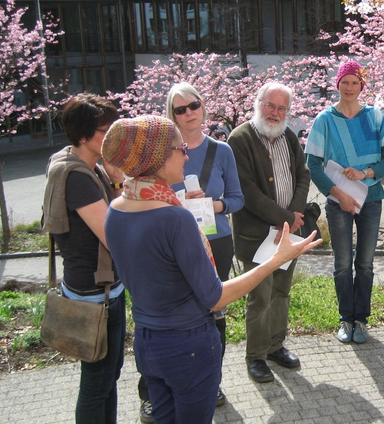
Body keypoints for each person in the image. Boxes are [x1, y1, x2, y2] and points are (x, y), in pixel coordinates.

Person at [102, 115, 321, 423]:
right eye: (179, 148)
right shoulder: (174, 219)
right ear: (158, 158)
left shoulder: (117, 208)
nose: (186, 154)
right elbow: (214, 297)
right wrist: (274, 260)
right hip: (188, 344)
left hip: (148, 341)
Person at [131, 82, 245, 420]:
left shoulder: (222, 151)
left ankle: (212, 380)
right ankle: (152, 391)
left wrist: (214, 204)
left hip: (217, 241)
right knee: (166, 316)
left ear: (203, 106)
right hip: (170, 245)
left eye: (192, 105)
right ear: (171, 114)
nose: (188, 113)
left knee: (214, 313)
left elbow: (239, 199)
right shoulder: (159, 153)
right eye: (179, 109)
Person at [41, 93, 124, 423]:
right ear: (84, 135)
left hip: (104, 290)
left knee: (109, 377)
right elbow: (114, 235)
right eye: (106, 131)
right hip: (95, 296)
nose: (111, 138)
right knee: (97, 383)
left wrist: (115, 176)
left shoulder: (92, 168)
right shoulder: (78, 178)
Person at [306, 60, 384, 344]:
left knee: (366, 263)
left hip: (371, 198)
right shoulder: (325, 120)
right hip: (338, 200)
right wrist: (340, 194)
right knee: (343, 263)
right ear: (337, 84)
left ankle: (361, 319)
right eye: (344, 81)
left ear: (362, 86)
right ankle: (346, 319)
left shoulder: (375, 117)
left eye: (354, 82)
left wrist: (366, 173)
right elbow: (314, 164)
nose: (349, 87)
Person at [227, 82, 310, 383]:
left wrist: (295, 216)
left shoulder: (288, 136)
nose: (275, 113)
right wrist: (286, 218)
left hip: (289, 232)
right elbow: (247, 191)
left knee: (281, 291)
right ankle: (256, 356)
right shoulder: (240, 139)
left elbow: (303, 175)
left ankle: (276, 345)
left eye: (282, 108)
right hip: (259, 234)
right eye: (270, 105)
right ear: (257, 102)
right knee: (260, 297)